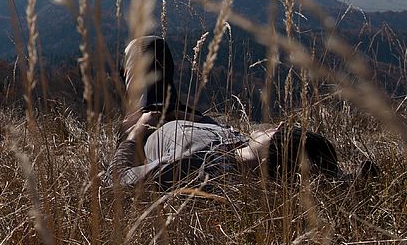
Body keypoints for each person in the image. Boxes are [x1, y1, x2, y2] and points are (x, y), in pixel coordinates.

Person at [109, 36, 341, 188]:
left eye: (282, 133)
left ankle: (127, 117)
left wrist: (135, 133)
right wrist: (195, 118)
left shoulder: (192, 168)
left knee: (146, 47)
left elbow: (117, 181)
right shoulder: (241, 149)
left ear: (270, 153)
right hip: (181, 116)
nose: (277, 126)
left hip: (149, 122)